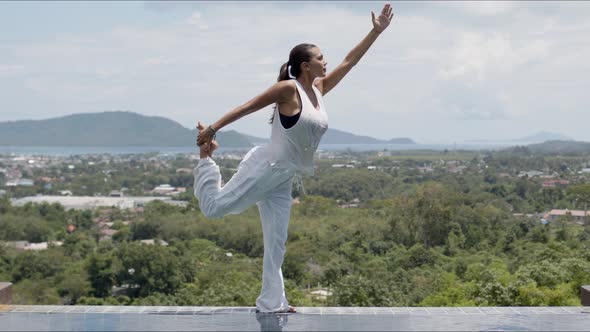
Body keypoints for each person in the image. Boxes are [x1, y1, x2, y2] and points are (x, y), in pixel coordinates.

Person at [193, 3, 394, 313]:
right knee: (214, 209)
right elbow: (249, 106)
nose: (325, 62)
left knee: (276, 242)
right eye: (320, 58)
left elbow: (350, 61)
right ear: (304, 65)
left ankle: (272, 303)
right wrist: (213, 130)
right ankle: (207, 161)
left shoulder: (319, 89)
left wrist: (375, 32)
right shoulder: (289, 89)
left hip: (283, 176)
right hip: (265, 168)